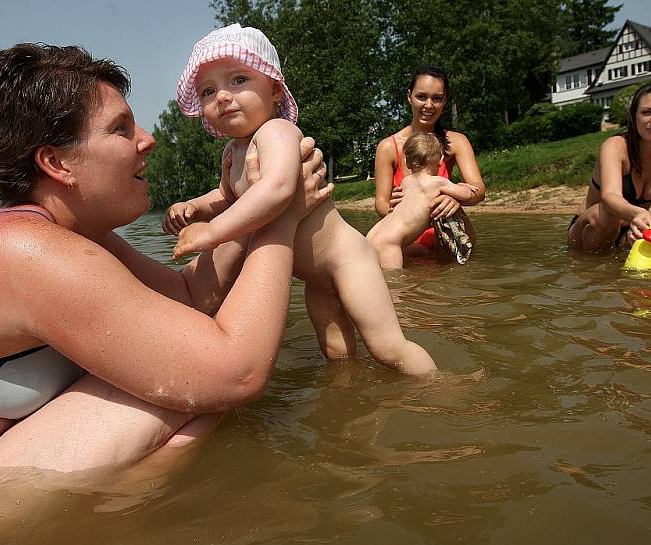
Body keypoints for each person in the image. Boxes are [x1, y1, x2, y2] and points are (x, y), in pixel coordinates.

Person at [0, 42, 331, 487]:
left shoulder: (75, 236)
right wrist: (281, 218)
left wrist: (254, 204)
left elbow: (189, 298)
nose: (147, 139)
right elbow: (237, 373)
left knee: (173, 366)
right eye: (121, 129)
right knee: (180, 386)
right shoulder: (25, 250)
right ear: (56, 162)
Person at [164, 24, 437, 377]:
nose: (222, 96)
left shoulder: (277, 132)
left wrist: (212, 232)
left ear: (275, 89)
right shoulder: (232, 153)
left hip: (346, 261)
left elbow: (276, 189)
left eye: (238, 81)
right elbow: (226, 195)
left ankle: (441, 388)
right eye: (208, 90)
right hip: (315, 277)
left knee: (387, 348)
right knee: (337, 354)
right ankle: (352, 402)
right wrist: (196, 207)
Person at [567, 80, 651, 253]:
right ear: (635, 116)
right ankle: (594, 271)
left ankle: (625, 246)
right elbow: (610, 197)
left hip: (634, 224)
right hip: (592, 228)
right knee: (606, 214)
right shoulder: (616, 146)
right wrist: (637, 214)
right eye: (647, 112)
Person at [374, 65, 485, 257]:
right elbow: (380, 203)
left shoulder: (456, 141)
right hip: (407, 235)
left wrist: (455, 197)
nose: (429, 105)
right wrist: (394, 207)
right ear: (409, 96)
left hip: (444, 233)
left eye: (437, 98)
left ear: (445, 101)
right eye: (421, 96)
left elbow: (479, 189)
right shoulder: (388, 147)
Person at [367, 133, 477, 268]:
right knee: (395, 283)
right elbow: (466, 195)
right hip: (390, 243)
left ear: (407, 162)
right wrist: (464, 186)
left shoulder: (405, 182)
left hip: (372, 235)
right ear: (441, 160)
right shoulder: (438, 182)